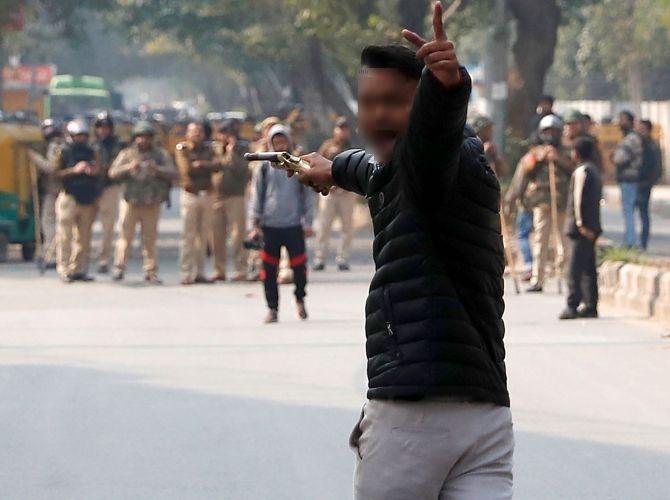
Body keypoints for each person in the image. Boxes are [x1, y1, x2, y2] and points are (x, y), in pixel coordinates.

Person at [293, 3, 513, 497]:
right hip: (485, 417)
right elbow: (378, 170)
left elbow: (427, 146)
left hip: (413, 410)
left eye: (395, 101)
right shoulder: (436, 169)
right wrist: (333, 167)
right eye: (368, 102)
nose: (377, 115)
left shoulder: (437, 160)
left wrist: (446, 88)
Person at [248, 124, 313, 324]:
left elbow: (307, 196)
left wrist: (308, 222)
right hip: (270, 226)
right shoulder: (264, 167)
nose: (280, 144)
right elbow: (257, 195)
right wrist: (254, 223)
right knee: (268, 271)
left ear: (289, 142)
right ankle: (272, 308)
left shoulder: (298, 164)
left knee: (299, 268)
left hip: (293, 225)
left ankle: (300, 298)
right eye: (276, 141)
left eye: (283, 140)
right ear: (270, 143)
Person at [109, 121, 177, 284]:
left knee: (150, 239)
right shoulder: (126, 154)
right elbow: (112, 173)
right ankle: (119, 267)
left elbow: (173, 173)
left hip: (151, 202)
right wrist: (129, 168)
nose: (143, 140)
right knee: (125, 238)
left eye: (146, 137)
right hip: (131, 201)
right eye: (140, 137)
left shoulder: (160, 155)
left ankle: (151, 271)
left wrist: (158, 169)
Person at [513, 115, 574, 292]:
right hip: (541, 204)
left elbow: (574, 169)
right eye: (547, 131)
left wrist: (558, 159)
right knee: (540, 242)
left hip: (562, 203)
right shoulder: (534, 152)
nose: (550, 134)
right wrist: (537, 159)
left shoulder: (567, 151)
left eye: (554, 131)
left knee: (563, 242)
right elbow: (523, 172)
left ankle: (565, 277)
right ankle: (537, 279)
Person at [560, 137, 602, 320]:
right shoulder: (594, 171)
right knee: (588, 268)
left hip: (581, 229)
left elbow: (578, 201)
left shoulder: (582, 172)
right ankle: (591, 305)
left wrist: (580, 224)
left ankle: (572, 305)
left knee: (575, 269)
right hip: (591, 227)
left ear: (576, 153)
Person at [175, 121, 222, 285]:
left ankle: (200, 272)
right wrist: (205, 166)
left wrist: (202, 164)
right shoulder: (183, 149)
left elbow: (218, 165)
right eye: (193, 132)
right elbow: (187, 169)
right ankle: (186, 272)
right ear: (187, 134)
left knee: (204, 236)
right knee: (189, 235)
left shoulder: (210, 149)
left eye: (199, 132)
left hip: (207, 195)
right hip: (191, 195)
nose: (197, 135)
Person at [54, 120, 101, 283]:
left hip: (87, 198)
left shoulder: (91, 151)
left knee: (84, 238)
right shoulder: (64, 151)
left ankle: (79, 269)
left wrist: (93, 171)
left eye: (83, 135)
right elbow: (56, 173)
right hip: (69, 196)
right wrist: (74, 170)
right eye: (77, 136)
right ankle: (64, 268)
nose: (80, 139)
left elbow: (100, 171)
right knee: (65, 236)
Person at [313, 117, 356, 271]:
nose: (342, 131)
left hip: (346, 192)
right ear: (335, 130)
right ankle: (320, 258)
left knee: (347, 227)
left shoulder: (353, 147)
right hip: (329, 192)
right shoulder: (327, 146)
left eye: (345, 128)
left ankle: (342, 259)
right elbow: (316, 164)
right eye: (339, 128)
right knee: (324, 226)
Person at [211, 119, 252, 281]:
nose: (226, 137)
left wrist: (232, 152)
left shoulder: (243, 149)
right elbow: (214, 165)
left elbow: (243, 170)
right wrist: (224, 153)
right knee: (217, 235)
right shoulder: (214, 149)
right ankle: (219, 269)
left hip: (236, 195)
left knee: (238, 235)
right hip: (216, 196)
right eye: (223, 133)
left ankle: (240, 268)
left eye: (229, 134)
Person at [92, 111, 125, 274]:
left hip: (110, 187)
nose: (103, 130)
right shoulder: (91, 144)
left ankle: (103, 259)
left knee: (108, 226)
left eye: (106, 127)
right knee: (82, 226)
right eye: (100, 127)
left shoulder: (119, 145)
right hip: (90, 187)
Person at [29, 119, 64, 268]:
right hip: (54, 189)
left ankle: (53, 254)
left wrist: (34, 157)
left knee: (49, 223)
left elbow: (51, 168)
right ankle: (50, 252)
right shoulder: (59, 145)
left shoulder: (55, 146)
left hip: (56, 190)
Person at [613, 110, 644, 248]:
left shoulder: (631, 139)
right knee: (628, 210)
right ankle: (630, 239)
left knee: (628, 210)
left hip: (629, 179)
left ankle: (630, 241)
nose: (620, 123)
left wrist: (613, 157)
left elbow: (619, 158)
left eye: (622, 120)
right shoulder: (631, 138)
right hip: (630, 179)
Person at [636, 119, 663, 250]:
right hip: (635, 182)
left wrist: (649, 182)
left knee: (643, 214)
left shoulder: (651, 146)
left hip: (644, 184)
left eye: (642, 129)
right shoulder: (637, 144)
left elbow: (657, 167)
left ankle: (643, 242)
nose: (639, 131)